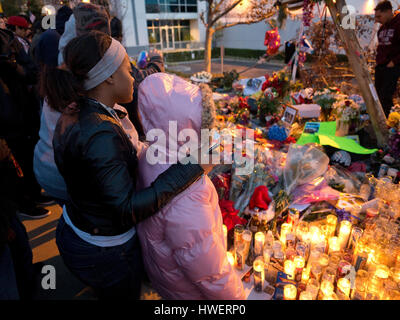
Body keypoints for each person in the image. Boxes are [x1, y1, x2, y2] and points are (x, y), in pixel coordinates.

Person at [41, 30, 212, 300]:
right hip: (106, 252)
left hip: (81, 228)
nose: (133, 77)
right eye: (127, 69)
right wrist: (192, 167)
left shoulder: (82, 109)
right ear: (108, 76)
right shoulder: (100, 134)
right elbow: (127, 209)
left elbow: (102, 175)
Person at [34, 3, 163, 204]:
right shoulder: (98, 128)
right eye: (128, 70)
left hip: (52, 171)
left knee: (78, 215)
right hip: (69, 183)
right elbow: (124, 206)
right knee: (87, 213)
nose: (132, 78)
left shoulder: (69, 69)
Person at [136, 73, 245, 300]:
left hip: (166, 276)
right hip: (188, 291)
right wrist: (237, 298)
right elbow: (209, 270)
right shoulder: (187, 190)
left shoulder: (151, 154)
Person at [0, 28, 51, 219]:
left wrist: (18, 67)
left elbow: (29, 69)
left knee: (27, 152)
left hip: (21, 108)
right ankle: (24, 202)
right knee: (17, 159)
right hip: (10, 113)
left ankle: (33, 195)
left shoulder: (10, 39)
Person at [374, 0, 400, 116]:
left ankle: (389, 125)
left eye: (379, 16)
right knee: (377, 97)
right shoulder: (381, 29)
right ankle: (381, 121)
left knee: (385, 97)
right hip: (380, 67)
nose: (377, 20)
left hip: (392, 66)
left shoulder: (398, 24)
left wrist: (394, 62)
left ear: (389, 12)